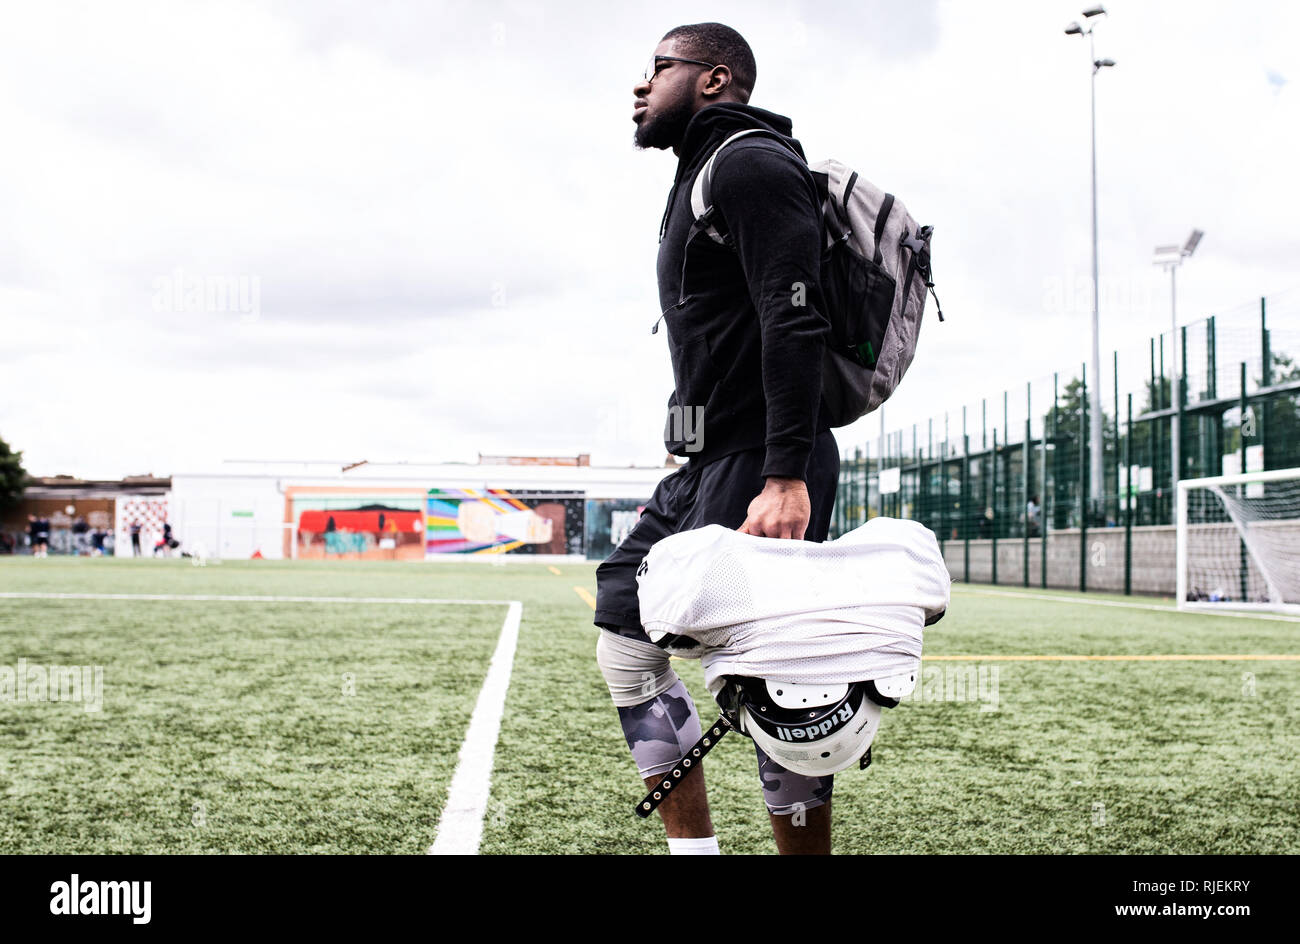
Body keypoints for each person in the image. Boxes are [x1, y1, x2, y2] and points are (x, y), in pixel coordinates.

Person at [595, 22, 838, 855]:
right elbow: (713, 333)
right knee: (627, 647)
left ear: (713, 78)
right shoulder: (697, 176)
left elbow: (793, 315)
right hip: (708, 461)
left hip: (765, 461)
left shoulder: (751, 162)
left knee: (778, 690)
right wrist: (688, 436)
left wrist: (786, 474)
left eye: (658, 66)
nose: (642, 84)